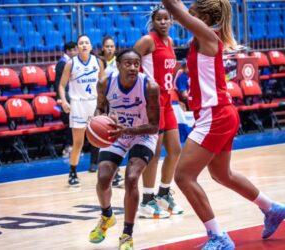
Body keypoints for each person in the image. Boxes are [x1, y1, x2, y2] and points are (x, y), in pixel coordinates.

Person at [162, 0, 285, 249]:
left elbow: (173, 7)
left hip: (215, 115)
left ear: (205, 20)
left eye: (193, 14)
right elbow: (176, 7)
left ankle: (218, 236)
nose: (185, 17)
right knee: (222, 174)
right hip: (219, 113)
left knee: (183, 177)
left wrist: (175, 7)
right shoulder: (204, 38)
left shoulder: (207, 36)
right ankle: (271, 208)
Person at [89, 49, 160, 250]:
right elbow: (100, 108)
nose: (132, 68)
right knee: (103, 177)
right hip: (117, 132)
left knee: (131, 178)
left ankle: (127, 235)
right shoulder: (105, 82)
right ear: (118, 66)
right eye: (127, 64)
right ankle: (106, 216)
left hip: (143, 133)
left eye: (136, 64)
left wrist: (127, 129)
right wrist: (99, 120)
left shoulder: (150, 86)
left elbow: (155, 125)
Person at [134, 5, 183, 219]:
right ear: (153, 21)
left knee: (175, 150)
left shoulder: (170, 42)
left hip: (168, 100)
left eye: (166, 19)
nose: (163, 22)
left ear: (171, 21)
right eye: (159, 19)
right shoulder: (147, 40)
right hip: (152, 102)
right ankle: (146, 200)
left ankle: (163, 194)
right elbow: (128, 62)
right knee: (154, 153)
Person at [59, 34, 105, 187]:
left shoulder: (98, 62)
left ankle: (112, 172)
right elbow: (61, 85)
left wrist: (105, 102)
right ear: (77, 47)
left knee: (103, 140)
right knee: (78, 143)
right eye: (81, 43)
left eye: (87, 42)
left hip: (94, 104)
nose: (84, 45)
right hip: (78, 104)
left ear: (91, 46)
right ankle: (72, 172)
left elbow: (103, 83)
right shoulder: (70, 64)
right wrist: (64, 101)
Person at [96, 35, 125, 187]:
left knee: (113, 136)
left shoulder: (119, 62)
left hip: (115, 102)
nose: (109, 48)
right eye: (107, 46)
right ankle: (108, 171)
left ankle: (115, 172)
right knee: (104, 136)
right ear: (102, 48)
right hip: (102, 101)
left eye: (112, 46)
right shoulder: (98, 62)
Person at [55, 41, 78, 158]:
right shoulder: (62, 63)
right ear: (67, 51)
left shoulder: (73, 62)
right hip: (66, 99)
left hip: (73, 98)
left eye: (75, 49)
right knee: (69, 124)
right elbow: (59, 83)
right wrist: (61, 99)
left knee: (73, 124)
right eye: (71, 50)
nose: (74, 52)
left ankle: (72, 147)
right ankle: (68, 148)